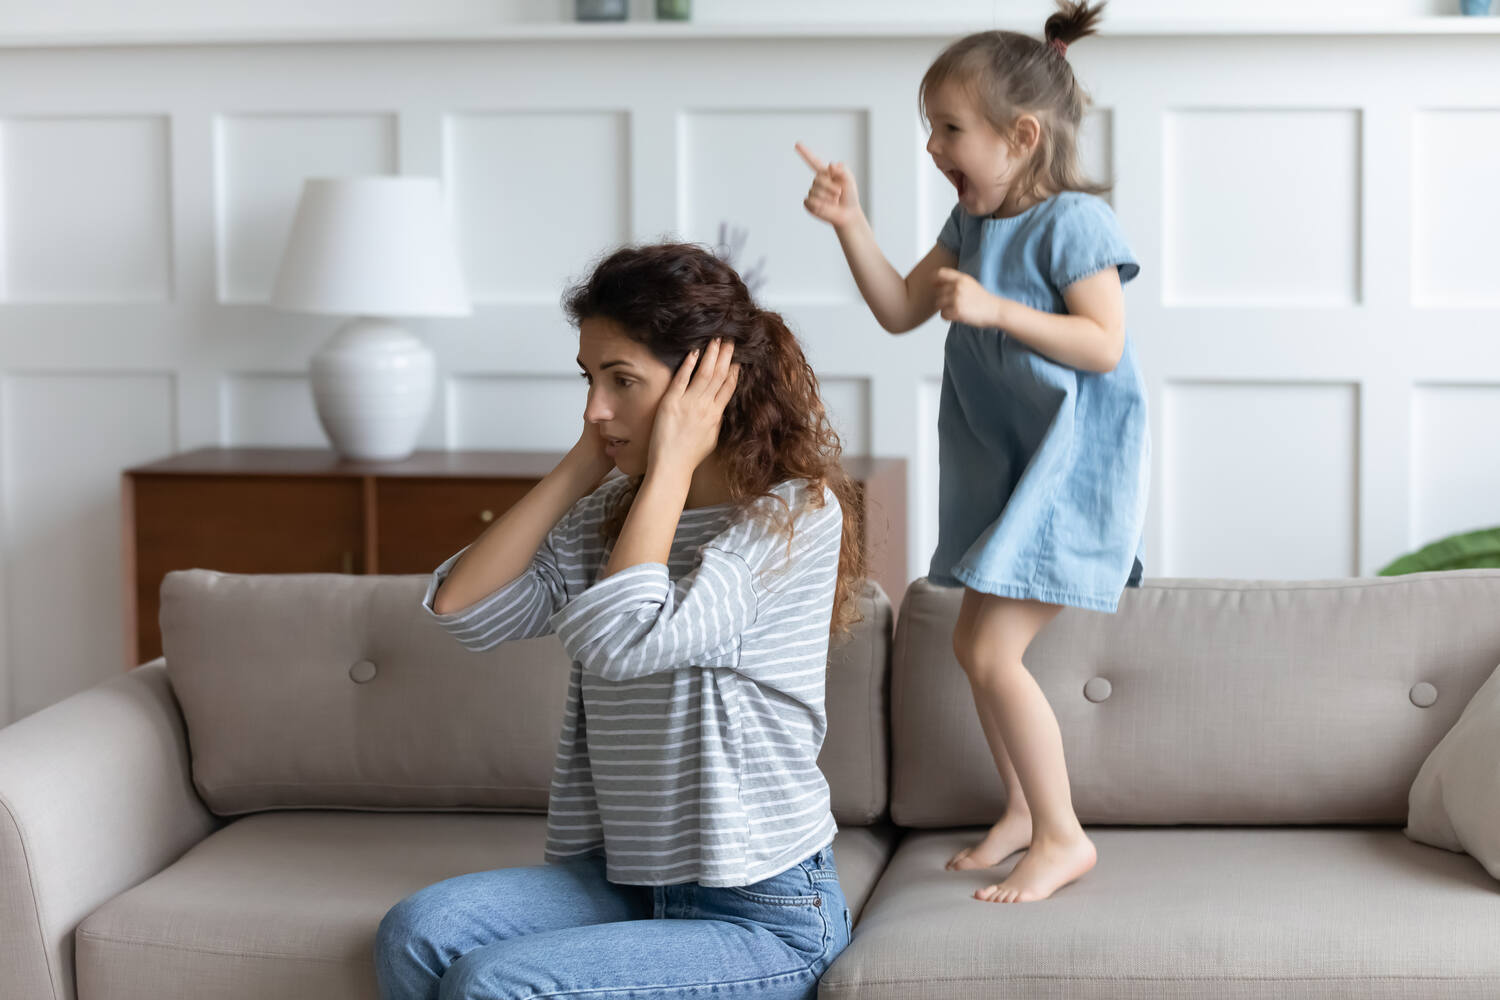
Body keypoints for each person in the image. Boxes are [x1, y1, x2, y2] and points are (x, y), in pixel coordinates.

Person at [374, 242, 866, 999]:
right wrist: (584, 462)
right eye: (589, 379)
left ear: (707, 386)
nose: (595, 407)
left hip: (765, 916)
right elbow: (461, 611)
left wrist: (669, 463)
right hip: (628, 881)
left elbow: (623, 639)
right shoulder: (609, 514)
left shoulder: (790, 518)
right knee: (417, 934)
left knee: (493, 984)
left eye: (622, 381)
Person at [798, 0, 1148, 903]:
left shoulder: (1073, 225)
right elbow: (899, 310)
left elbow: (1103, 345)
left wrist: (999, 312)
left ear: (1022, 135)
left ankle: (1064, 834)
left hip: (1067, 475)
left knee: (991, 653)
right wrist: (850, 225)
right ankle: (1028, 813)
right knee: (971, 642)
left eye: (949, 129)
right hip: (1003, 472)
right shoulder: (970, 229)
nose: (933, 149)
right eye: (931, 130)